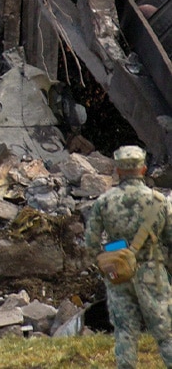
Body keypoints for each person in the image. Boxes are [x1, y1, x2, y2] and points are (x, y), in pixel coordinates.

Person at [84, 145, 172, 368]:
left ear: (119, 171)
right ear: (143, 169)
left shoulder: (104, 202)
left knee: (125, 333)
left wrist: (109, 263)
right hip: (153, 273)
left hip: (119, 274)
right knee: (165, 332)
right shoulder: (160, 202)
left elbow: (91, 244)